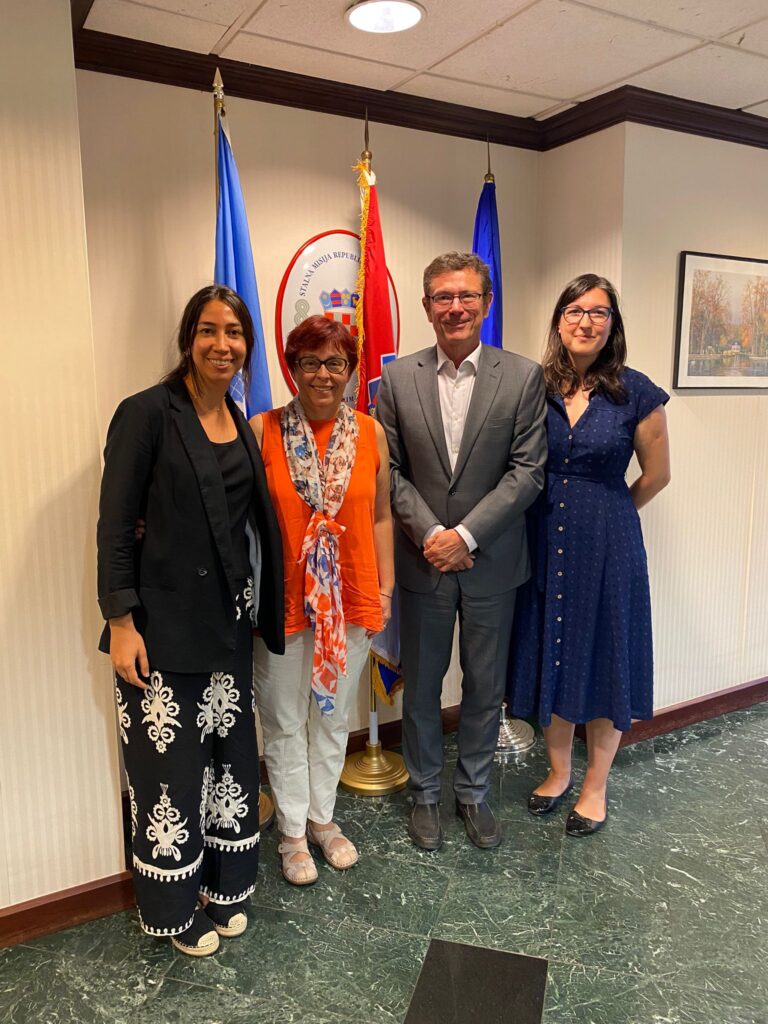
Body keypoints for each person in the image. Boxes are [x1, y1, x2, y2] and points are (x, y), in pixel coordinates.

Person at [97, 285, 284, 955]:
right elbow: (116, 525)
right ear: (188, 338)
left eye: (235, 333)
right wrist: (121, 620)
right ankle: (176, 908)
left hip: (227, 630)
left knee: (230, 764)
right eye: (209, 330)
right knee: (168, 774)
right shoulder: (146, 414)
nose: (223, 344)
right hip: (159, 632)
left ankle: (226, 886)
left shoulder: (238, 417)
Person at [375, 251, 547, 851]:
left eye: (466, 296)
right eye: (443, 298)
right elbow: (387, 470)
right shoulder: (395, 380)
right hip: (423, 564)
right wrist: (431, 536)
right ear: (426, 308)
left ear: (486, 303)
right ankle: (424, 793)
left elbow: (528, 473)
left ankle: (472, 792)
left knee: (483, 686)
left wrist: (465, 536)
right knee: (421, 688)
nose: (455, 308)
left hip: (491, 563)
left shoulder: (523, 377)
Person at [508, 273, 671, 836]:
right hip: (543, 539)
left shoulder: (637, 391)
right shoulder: (537, 387)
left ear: (612, 325)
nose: (586, 321)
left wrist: (608, 513)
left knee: (603, 658)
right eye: (575, 310)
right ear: (559, 321)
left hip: (609, 545)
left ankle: (595, 786)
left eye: (599, 312)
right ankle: (557, 773)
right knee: (553, 650)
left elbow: (657, 475)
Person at [251, 315, 394, 885]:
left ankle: (323, 819)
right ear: (292, 368)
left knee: (332, 720)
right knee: (285, 721)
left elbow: (381, 514)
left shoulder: (371, 432)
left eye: (336, 362)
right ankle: (290, 833)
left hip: (351, 600)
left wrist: (382, 589)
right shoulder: (261, 429)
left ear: (351, 370)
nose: (323, 374)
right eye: (310, 361)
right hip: (283, 603)